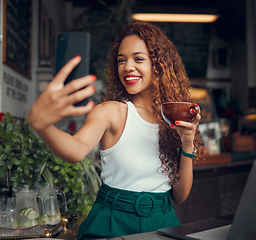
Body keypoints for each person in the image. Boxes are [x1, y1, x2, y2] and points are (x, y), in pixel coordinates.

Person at [28, 21, 202, 239]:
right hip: (111, 222)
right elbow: (76, 149)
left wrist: (187, 142)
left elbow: (180, 196)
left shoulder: (171, 120)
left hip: (163, 222)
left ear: (159, 66)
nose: (127, 67)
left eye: (139, 59)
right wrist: (43, 125)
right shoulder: (111, 112)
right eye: (122, 60)